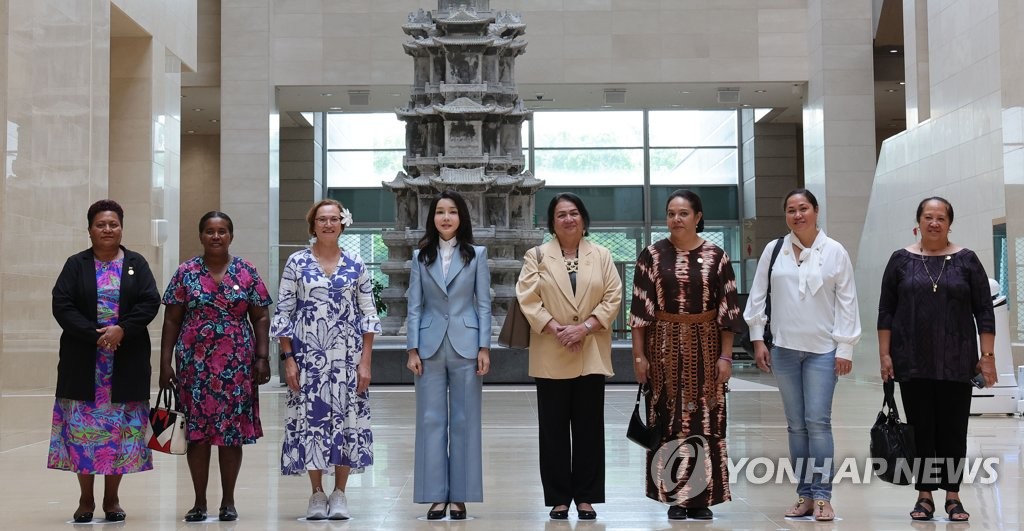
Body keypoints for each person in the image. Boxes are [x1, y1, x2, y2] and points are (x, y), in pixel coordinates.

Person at [743, 188, 860, 522]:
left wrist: (846, 346)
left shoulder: (835, 252)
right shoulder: (774, 249)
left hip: (824, 351)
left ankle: (823, 496)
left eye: (804, 208)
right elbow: (758, 294)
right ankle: (804, 494)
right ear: (786, 215)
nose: (798, 215)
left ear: (816, 211)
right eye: (791, 210)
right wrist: (757, 339)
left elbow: (847, 301)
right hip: (784, 349)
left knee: (818, 423)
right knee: (796, 426)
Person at [877, 196, 995, 523]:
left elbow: (984, 310)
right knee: (921, 428)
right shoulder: (900, 260)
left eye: (940, 217)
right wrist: (885, 354)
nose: (934, 223)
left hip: (957, 361)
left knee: (953, 428)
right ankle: (925, 494)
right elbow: (885, 310)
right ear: (918, 223)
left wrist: (987, 357)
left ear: (949, 223)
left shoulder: (967, 260)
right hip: (912, 360)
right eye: (928, 217)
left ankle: (953, 496)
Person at [630, 189, 742, 521]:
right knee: (669, 421)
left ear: (698, 217)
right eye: (671, 213)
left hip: (707, 348)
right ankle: (676, 497)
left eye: (683, 213)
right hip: (662, 348)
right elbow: (639, 311)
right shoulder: (651, 255)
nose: (676, 219)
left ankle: (702, 497)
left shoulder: (716, 256)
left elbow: (728, 310)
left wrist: (726, 357)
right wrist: (639, 357)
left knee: (705, 420)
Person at [48, 199, 160, 523]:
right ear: (90, 229)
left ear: (121, 228)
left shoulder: (136, 263)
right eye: (101, 224)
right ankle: (86, 499)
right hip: (84, 364)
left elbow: (150, 302)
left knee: (119, 435)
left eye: (113, 224)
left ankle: (112, 500)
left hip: (125, 364)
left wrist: (122, 329)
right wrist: (95, 334)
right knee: (84, 433)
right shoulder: (76, 265)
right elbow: (62, 304)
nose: (107, 229)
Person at [159, 211, 272, 522]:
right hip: (194, 366)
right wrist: (164, 364)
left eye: (222, 231)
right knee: (196, 433)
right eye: (210, 231)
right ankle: (198, 502)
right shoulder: (186, 272)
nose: (216, 236)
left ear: (231, 236)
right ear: (201, 236)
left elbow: (260, 316)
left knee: (231, 434)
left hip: (237, 365)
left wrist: (262, 357)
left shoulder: (246, 271)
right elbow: (171, 319)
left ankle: (229, 502)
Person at [271, 199, 380, 521]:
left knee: (347, 421)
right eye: (322, 219)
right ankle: (317, 493)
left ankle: (340, 493)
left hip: (347, 358)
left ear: (343, 223)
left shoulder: (356, 263)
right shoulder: (297, 262)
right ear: (313, 224)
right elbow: (284, 313)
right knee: (311, 421)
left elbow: (368, 314)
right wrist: (289, 359)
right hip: (308, 358)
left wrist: (366, 362)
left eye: (334, 219)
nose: (328, 224)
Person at [515, 193, 622, 521]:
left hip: (590, 351)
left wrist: (585, 327)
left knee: (590, 429)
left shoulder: (602, 255)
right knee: (553, 430)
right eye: (561, 215)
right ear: (551, 223)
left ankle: (587, 497)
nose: (568, 219)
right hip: (551, 351)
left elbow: (613, 294)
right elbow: (527, 297)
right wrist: (557, 328)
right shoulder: (536, 256)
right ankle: (559, 497)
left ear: (584, 220)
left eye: (574, 213)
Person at [406, 190, 492, 520]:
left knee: (465, 420)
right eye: (440, 212)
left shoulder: (476, 255)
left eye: (452, 212)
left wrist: (484, 346)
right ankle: (434, 495)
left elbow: (483, 304)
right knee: (429, 421)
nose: (445, 217)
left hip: (467, 346)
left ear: (461, 218)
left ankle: (461, 495)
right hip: (428, 348)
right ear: (433, 218)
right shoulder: (420, 257)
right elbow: (414, 306)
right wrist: (412, 348)